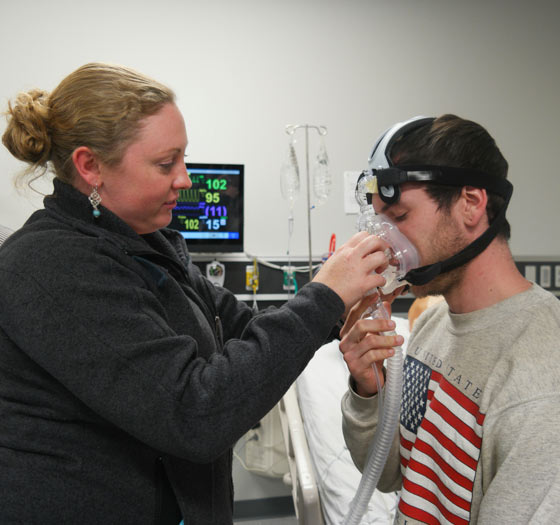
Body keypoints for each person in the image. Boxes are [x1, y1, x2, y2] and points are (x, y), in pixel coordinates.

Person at [0, 63, 391, 525]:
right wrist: (325, 293)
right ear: (90, 166)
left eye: (183, 158)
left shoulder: (149, 245)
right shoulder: (49, 265)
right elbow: (194, 415)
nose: (185, 179)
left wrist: (342, 311)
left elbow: (245, 329)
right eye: (166, 163)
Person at [339, 115, 560, 524]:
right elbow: (388, 476)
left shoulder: (542, 380)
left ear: (471, 204)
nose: (384, 243)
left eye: (399, 217)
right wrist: (368, 390)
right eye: (379, 223)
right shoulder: (431, 324)